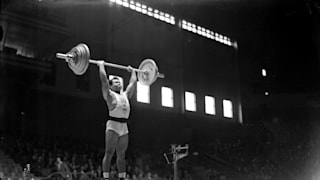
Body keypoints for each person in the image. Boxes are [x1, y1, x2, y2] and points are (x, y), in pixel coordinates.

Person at [97, 61, 137, 180]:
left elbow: (133, 83)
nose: (118, 83)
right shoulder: (109, 94)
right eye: (115, 81)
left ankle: (122, 178)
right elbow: (104, 80)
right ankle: (106, 178)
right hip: (113, 125)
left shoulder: (125, 95)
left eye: (119, 81)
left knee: (121, 155)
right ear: (110, 86)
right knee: (109, 153)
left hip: (124, 127)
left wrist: (133, 71)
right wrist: (101, 66)